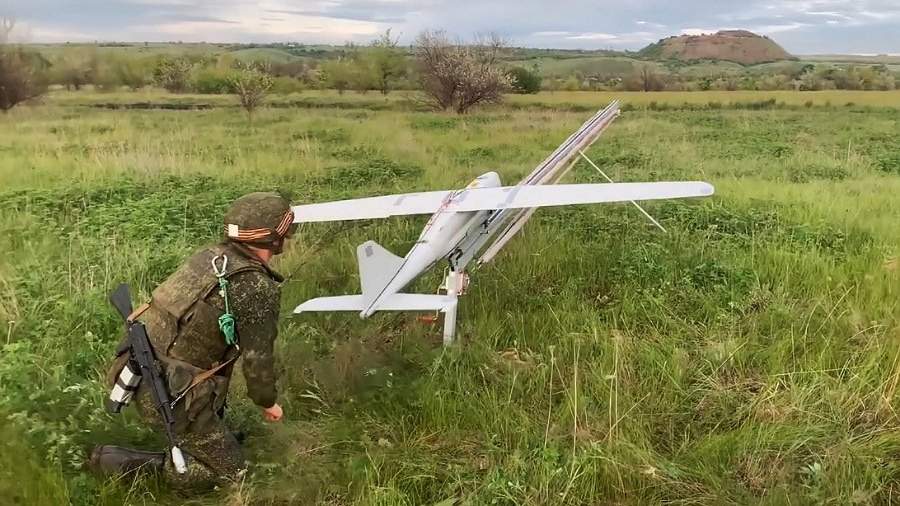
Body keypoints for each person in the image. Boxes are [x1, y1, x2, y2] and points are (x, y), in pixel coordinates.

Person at [90, 192, 295, 490]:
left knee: (219, 440)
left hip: (136, 367)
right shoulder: (256, 288)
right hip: (169, 394)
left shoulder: (211, 257)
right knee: (233, 477)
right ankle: (117, 462)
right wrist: (268, 403)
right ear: (274, 239)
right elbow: (257, 362)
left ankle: (208, 436)